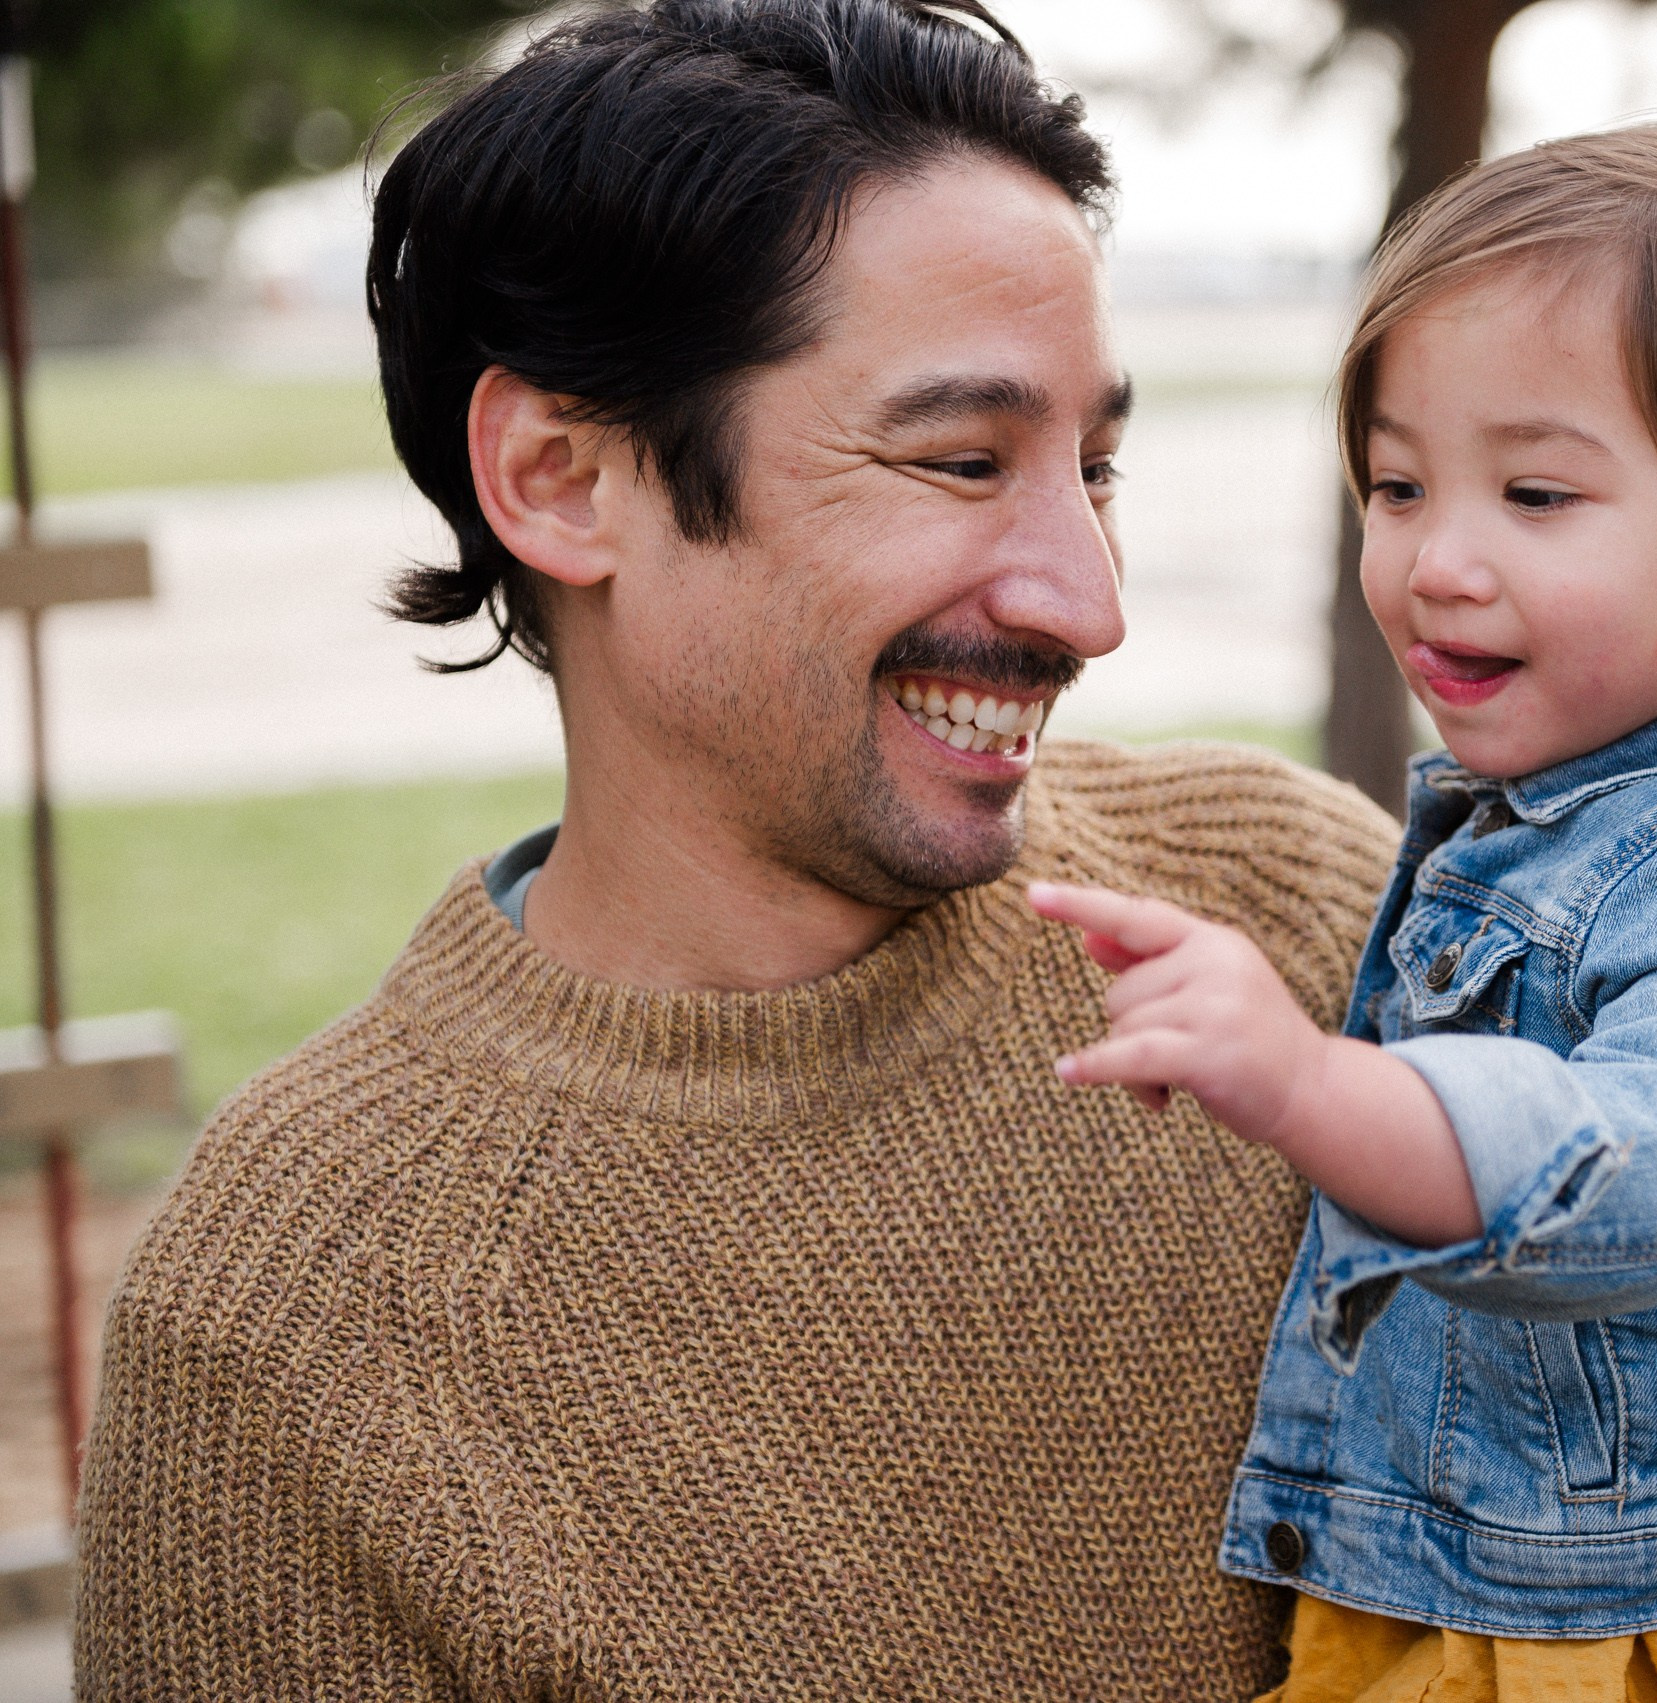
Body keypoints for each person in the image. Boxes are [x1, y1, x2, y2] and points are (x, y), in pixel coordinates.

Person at [73, 3, 1397, 1695]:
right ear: (561, 480)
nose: (1092, 603)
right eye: (963, 460)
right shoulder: (300, 1322)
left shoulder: (1300, 910)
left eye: (1097, 464)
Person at [1032, 125, 1657, 1701]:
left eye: (1539, 493)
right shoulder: (1561, 808)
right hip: (1491, 1609)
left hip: (1649, 1647)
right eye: (1399, 486)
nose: (1438, 562)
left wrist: (1308, 1084)